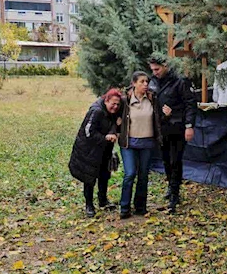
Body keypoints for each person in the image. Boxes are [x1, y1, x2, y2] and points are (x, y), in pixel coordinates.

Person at [148, 57, 197, 214]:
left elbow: (190, 104)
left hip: (177, 127)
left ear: (166, 66)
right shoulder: (153, 81)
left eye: (157, 69)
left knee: (175, 160)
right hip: (161, 129)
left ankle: (175, 194)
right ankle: (171, 186)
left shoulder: (180, 81)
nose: (154, 73)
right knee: (166, 160)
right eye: (152, 70)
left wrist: (189, 126)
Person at [69, 89, 122, 217]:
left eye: (117, 104)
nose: (115, 107)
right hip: (88, 150)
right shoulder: (96, 111)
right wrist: (105, 138)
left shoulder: (113, 113)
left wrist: (116, 127)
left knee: (105, 175)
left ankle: (103, 200)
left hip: (104, 149)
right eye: (112, 104)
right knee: (89, 177)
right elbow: (88, 132)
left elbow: (114, 126)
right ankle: (89, 205)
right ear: (106, 100)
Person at [118, 71, 162, 219]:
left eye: (147, 82)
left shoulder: (152, 98)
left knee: (143, 175)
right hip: (129, 143)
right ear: (134, 83)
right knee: (130, 173)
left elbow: (158, 117)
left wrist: (166, 114)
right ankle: (124, 207)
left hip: (147, 143)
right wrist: (118, 127)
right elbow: (114, 115)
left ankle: (140, 207)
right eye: (142, 82)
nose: (145, 85)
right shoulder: (125, 100)